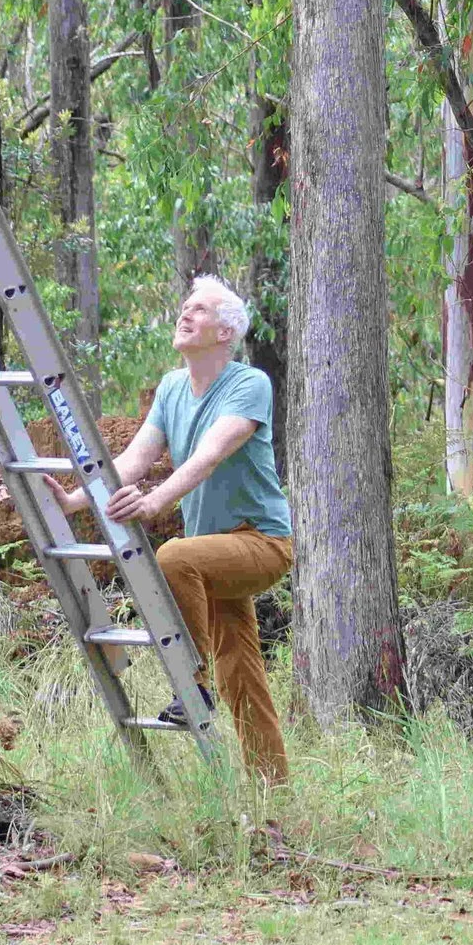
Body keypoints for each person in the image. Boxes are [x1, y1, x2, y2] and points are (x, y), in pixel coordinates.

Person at [45, 275, 293, 780]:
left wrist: (156, 501)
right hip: (212, 552)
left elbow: (210, 454)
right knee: (242, 674)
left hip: (261, 542)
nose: (185, 314)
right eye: (185, 306)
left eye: (198, 309)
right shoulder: (172, 387)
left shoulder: (249, 384)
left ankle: (192, 684)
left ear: (225, 332)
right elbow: (133, 460)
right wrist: (74, 500)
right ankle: (274, 788)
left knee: (175, 556)